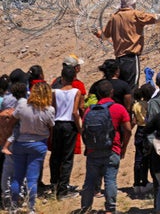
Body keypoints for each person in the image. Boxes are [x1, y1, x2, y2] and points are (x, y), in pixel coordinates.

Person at [91, 0, 160, 89]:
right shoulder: (135, 15)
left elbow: (104, 36)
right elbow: (156, 18)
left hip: (118, 59)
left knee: (122, 87)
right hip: (131, 58)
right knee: (132, 87)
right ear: (132, 3)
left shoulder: (114, 17)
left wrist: (97, 33)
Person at [80, 80, 132, 214]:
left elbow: (83, 129)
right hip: (112, 149)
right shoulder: (118, 108)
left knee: (89, 181)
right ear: (111, 92)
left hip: (93, 150)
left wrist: (89, 145)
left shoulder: (89, 110)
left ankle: (85, 207)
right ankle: (110, 209)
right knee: (110, 180)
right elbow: (128, 129)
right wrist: (123, 147)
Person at [10, 82, 55, 213]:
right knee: (32, 179)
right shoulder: (48, 110)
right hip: (39, 143)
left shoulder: (23, 106)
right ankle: (31, 208)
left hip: (21, 142)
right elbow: (51, 127)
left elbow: (12, 120)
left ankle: (14, 206)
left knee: (17, 177)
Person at [50, 66, 83, 200]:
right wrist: (79, 128)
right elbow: (75, 112)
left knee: (55, 155)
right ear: (73, 78)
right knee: (67, 158)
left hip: (57, 124)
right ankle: (63, 190)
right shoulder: (76, 91)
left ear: (62, 78)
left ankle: (54, 183)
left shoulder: (55, 92)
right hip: (69, 124)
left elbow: (53, 109)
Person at [1, 82, 27, 210]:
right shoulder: (23, 107)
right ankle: (19, 196)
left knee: (7, 173)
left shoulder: (5, 111)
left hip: (9, 144)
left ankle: (7, 198)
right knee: (19, 173)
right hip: (20, 143)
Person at [132, 83, 156, 198]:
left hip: (139, 131)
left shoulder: (136, 105)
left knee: (138, 158)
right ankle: (145, 181)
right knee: (148, 159)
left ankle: (137, 183)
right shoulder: (151, 105)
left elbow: (134, 120)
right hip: (148, 131)